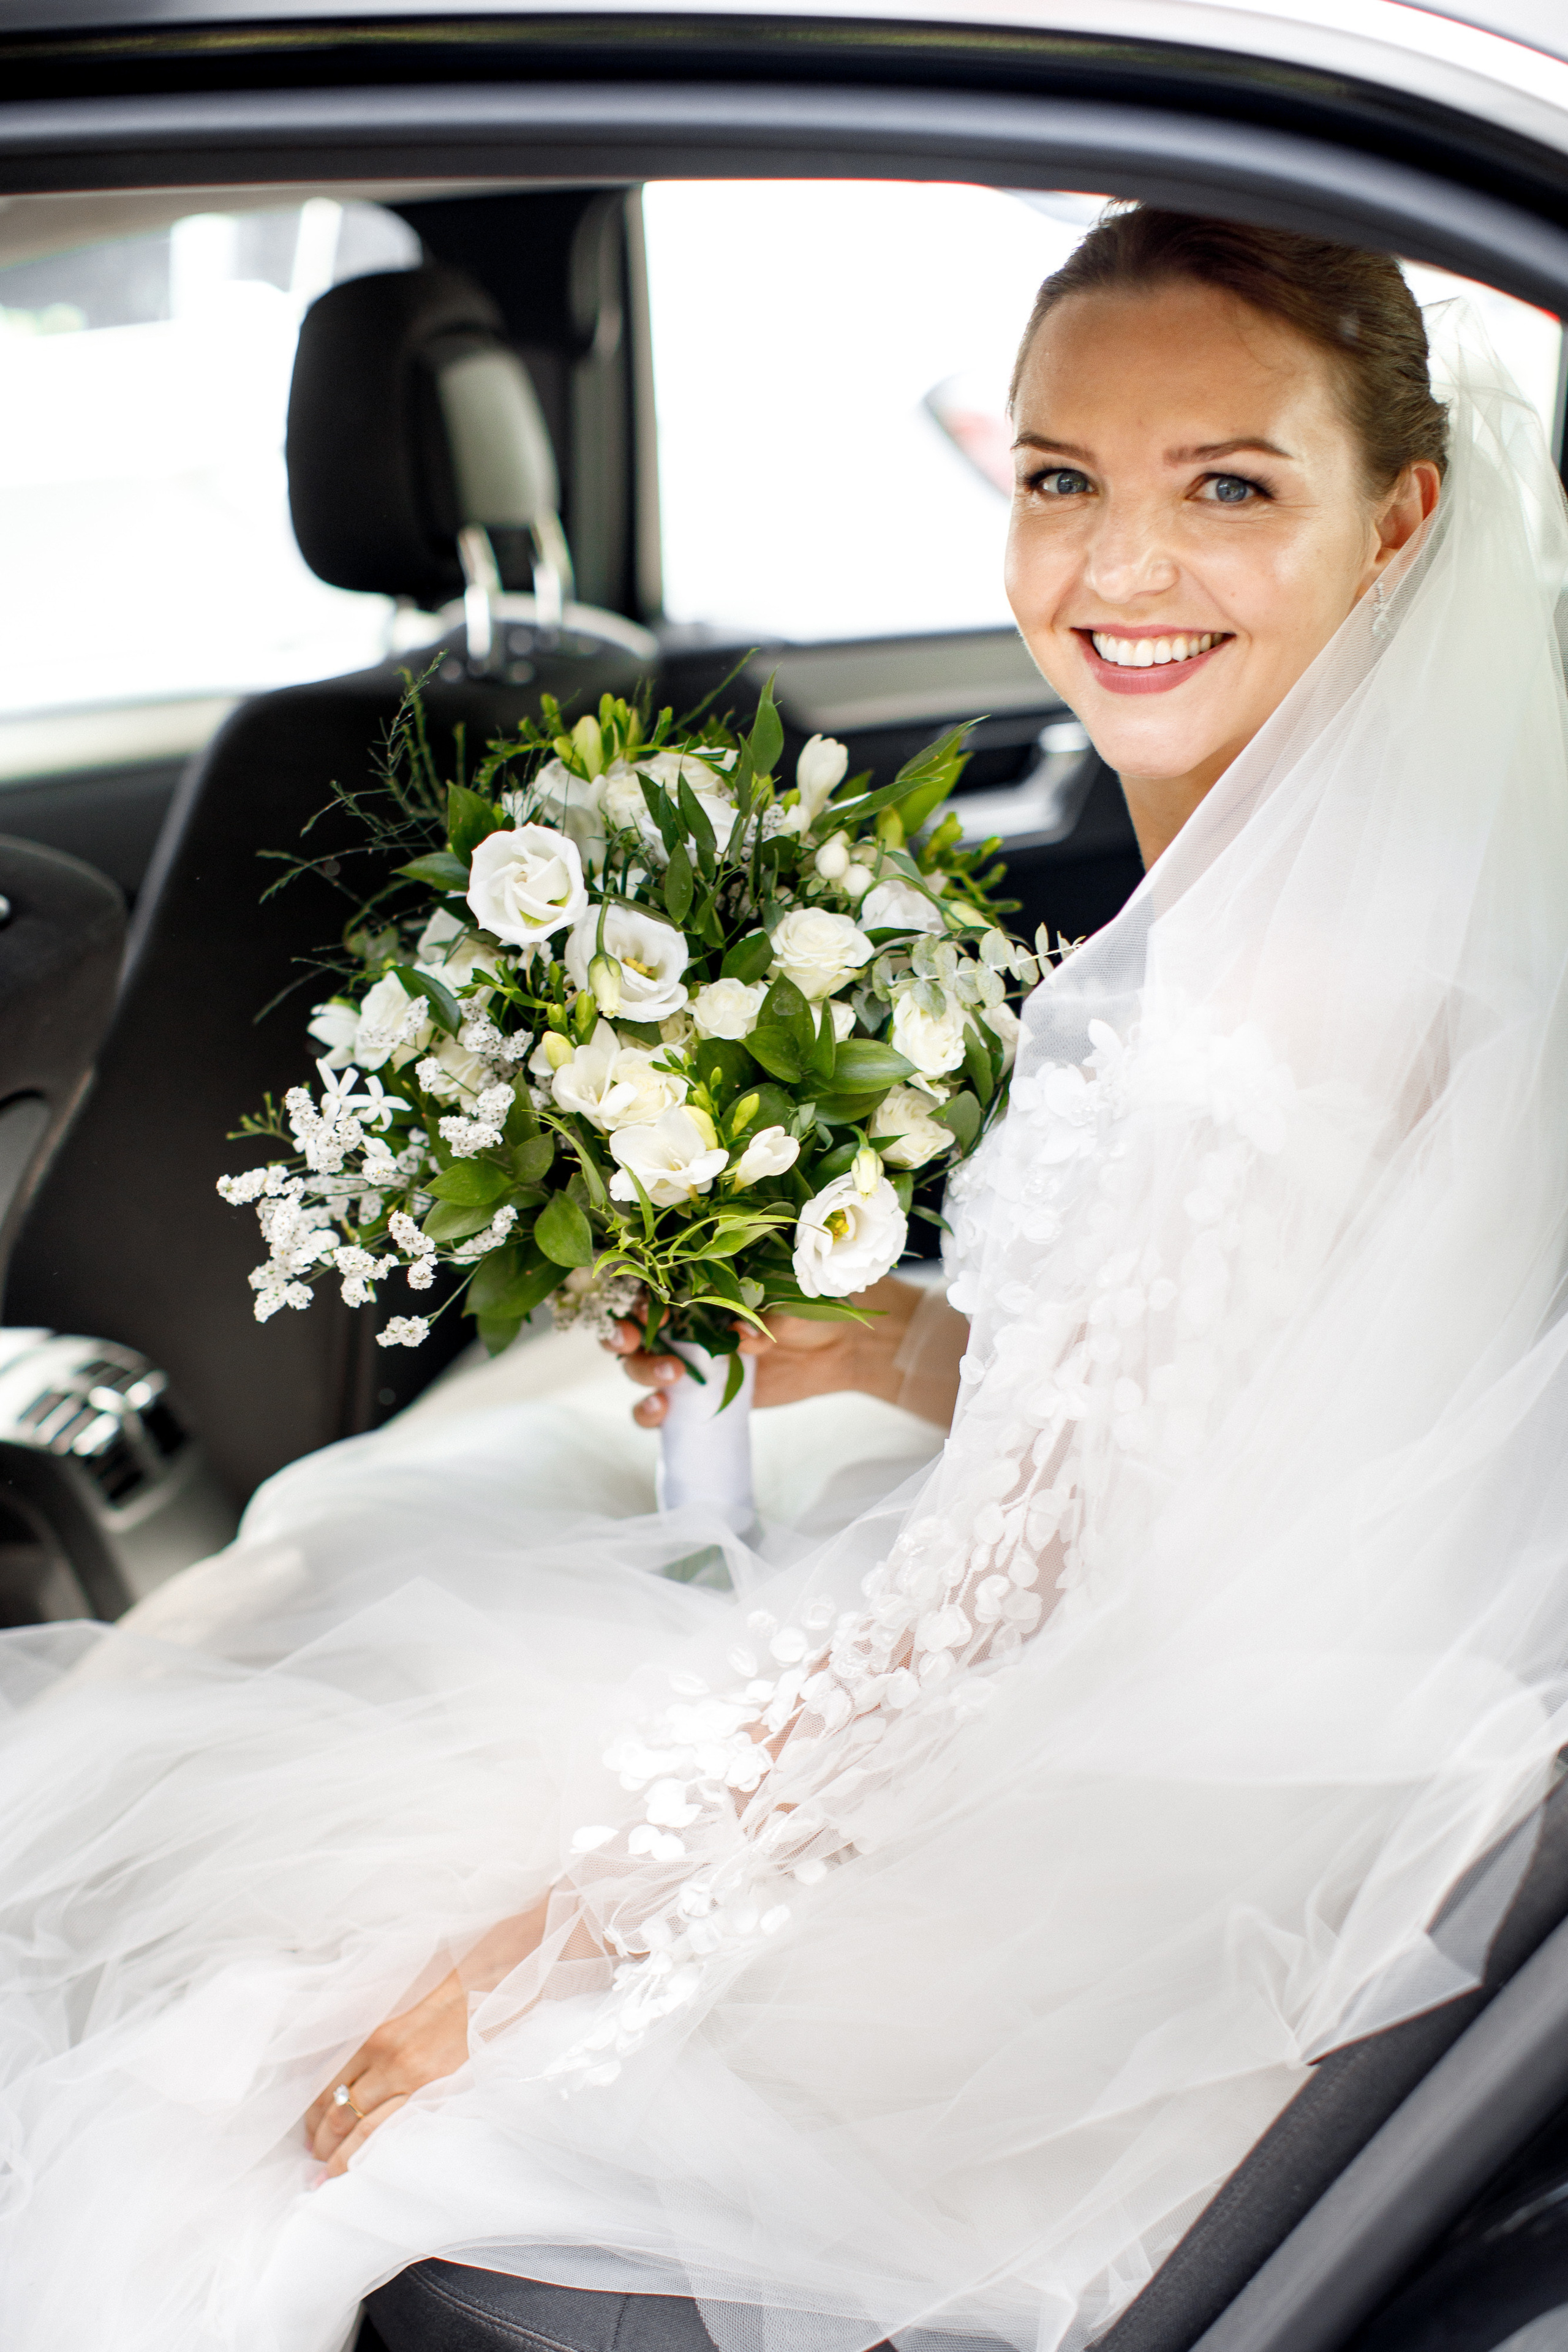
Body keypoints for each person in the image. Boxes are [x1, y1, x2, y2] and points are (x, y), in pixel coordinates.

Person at [5, 205, 1568, 2352]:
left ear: (1397, 519)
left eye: (1227, 486)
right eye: (1057, 480)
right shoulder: (1323, 890)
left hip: (1107, 1804)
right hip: (1112, 1670)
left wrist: (565, 1936)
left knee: (228, 2015)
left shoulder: (1298, 986)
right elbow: (1215, 1430)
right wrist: (898, 1336)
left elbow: (1012, 1599)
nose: (1118, 571)